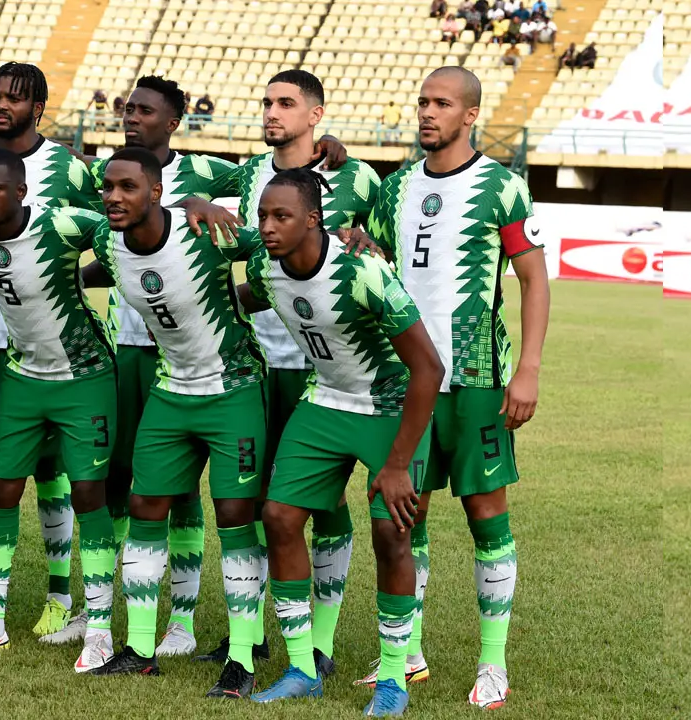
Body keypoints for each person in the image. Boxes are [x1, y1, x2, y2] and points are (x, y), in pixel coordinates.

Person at [362, 66, 550, 710]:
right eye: (422, 101)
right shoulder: (394, 189)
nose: (427, 112)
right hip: (407, 378)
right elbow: (375, 266)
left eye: (441, 103)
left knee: (485, 515)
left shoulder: (502, 187)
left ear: (470, 115)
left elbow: (534, 279)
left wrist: (528, 369)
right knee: (404, 516)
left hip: (476, 378)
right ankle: (407, 653)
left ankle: (492, 663)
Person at [185, 69, 382, 674]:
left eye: (286, 103)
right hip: (252, 362)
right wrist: (192, 202)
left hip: (323, 368)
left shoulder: (358, 178)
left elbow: (385, 253)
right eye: (267, 102)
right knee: (256, 501)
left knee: (323, 504)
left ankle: (320, 642)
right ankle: (249, 638)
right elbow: (166, 183)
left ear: (316, 115)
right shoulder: (247, 174)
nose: (272, 112)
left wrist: (367, 238)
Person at [238, 168, 444, 715]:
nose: (267, 227)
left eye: (281, 216)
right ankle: (302, 670)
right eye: (262, 216)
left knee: (392, 534)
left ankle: (394, 677)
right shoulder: (265, 267)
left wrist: (397, 464)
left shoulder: (362, 272)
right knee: (279, 517)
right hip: (326, 399)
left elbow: (428, 368)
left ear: (313, 220)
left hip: (391, 407)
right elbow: (245, 294)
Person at [82, 148, 266, 699]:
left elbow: (280, 242)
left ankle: (241, 658)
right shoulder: (105, 240)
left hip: (232, 389)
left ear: (157, 192)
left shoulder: (204, 231)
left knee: (235, 515)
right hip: (170, 389)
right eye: (108, 187)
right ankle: (141, 651)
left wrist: (352, 239)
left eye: (128, 187)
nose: (114, 197)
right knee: (144, 506)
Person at [0, 149, 119, 676]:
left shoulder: (62, 224)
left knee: (88, 494)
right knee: (0, 488)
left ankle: (99, 631)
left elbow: (126, 225)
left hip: (85, 377)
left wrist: (192, 207)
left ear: (21, 192)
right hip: (22, 377)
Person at [0, 62, 102, 642]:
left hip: (50, 339)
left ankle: (60, 595)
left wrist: (79, 280)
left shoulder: (67, 167)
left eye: (14, 98)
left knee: (52, 469)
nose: (0, 105)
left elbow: (110, 225)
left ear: (38, 108)